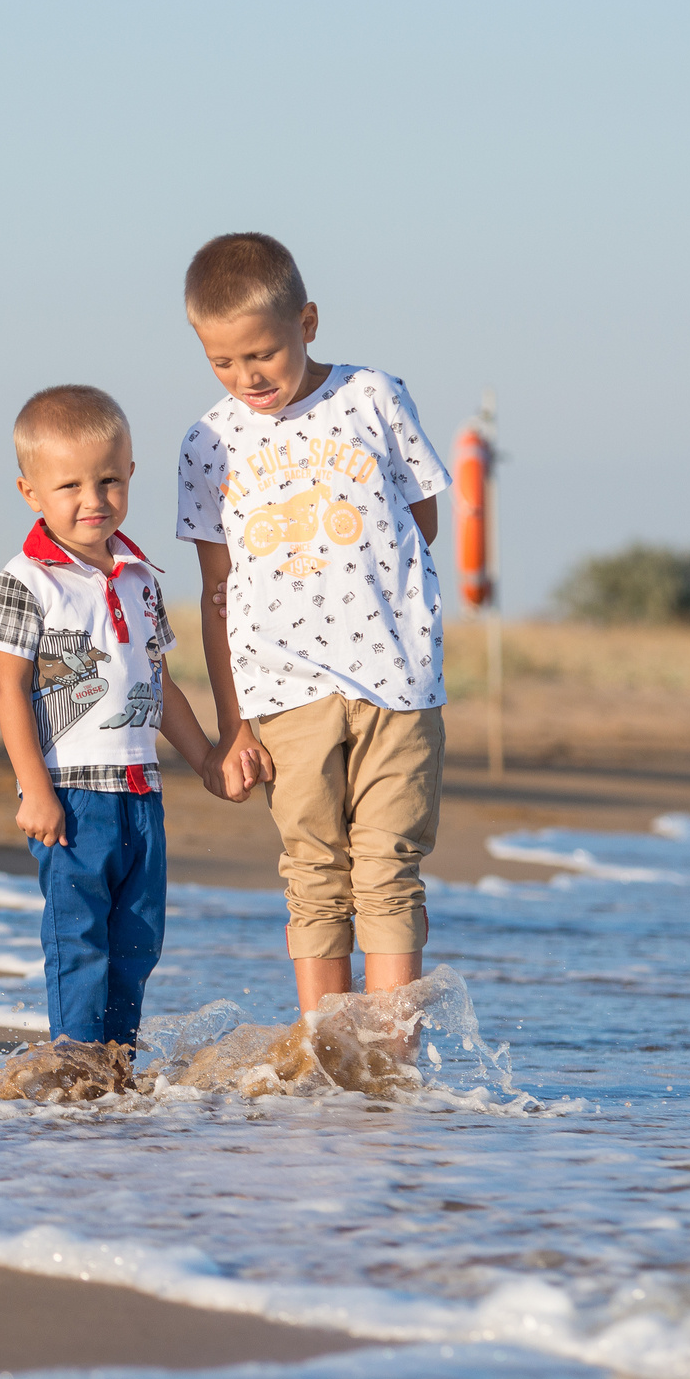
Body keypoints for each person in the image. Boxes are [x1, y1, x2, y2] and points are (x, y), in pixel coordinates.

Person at [175, 232, 449, 1012]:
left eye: (263, 353)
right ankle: (330, 1053)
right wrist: (232, 725)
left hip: (397, 683)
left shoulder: (374, 397)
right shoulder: (208, 444)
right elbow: (217, 592)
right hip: (282, 693)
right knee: (315, 874)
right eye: (223, 362)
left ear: (308, 322)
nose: (247, 377)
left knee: (389, 868)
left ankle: (389, 1057)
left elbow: (421, 522)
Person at [0, 385, 234, 1047]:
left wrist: (206, 758)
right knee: (80, 940)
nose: (92, 499)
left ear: (130, 475)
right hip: (71, 795)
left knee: (138, 941)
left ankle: (116, 1069)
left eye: (109, 480)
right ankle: (75, 1065)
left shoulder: (142, 577)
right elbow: (9, 689)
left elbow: (160, 683)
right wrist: (34, 789)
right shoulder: (27, 579)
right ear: (30, 492)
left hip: (142, 793)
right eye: (69, 485)